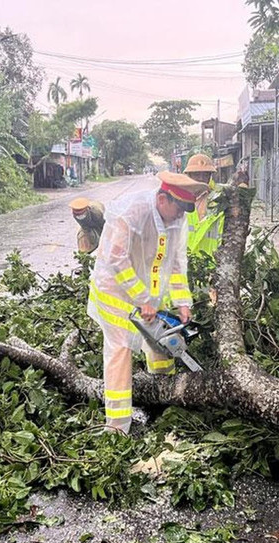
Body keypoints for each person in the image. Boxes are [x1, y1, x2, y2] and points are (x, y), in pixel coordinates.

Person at [87, 171, 208, 434]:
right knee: (121, 349)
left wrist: (183, 302)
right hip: (114, 290)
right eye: (178, 209)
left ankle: (162, 394)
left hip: (146, 290)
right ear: (163, 199)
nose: (181, 216)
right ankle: (118, 425)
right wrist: (142, 299)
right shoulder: (131, 212)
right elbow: (116, 259)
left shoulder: (177, 220)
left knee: (160, 339)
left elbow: (177, 264)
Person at [183, 153, 224, 257]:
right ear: (189, 175)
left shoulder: (219, 199)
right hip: (185, 263)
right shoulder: (179, 199)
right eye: (197, 174)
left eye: (205, 174)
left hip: (211, 262)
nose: (201, 178)